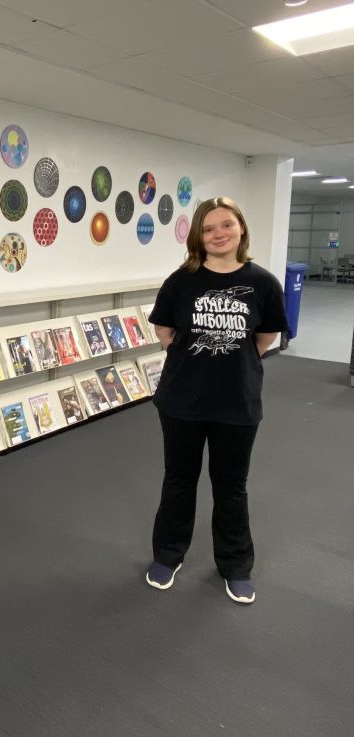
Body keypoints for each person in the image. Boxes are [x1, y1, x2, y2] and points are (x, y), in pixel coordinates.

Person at [144, 196, 288, 605]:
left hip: (236, 403)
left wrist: (229, 360)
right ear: (198, 237)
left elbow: (264, 339)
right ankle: (168, 555)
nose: (218, 234)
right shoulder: (181, 280)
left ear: (241, 228)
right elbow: (167, 334)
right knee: (178, 480)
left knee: (231, 487)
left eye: (226, 225)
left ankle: (236, 566)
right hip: (181, 400)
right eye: (208, 229)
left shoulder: (263, 283)